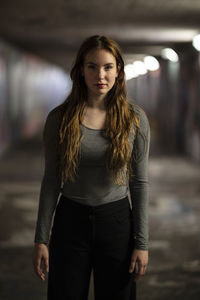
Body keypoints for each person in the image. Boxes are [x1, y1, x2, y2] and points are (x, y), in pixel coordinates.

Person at [32, 35, 150, 300]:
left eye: (108, 66)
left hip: (117, 222)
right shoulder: (59, 119)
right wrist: (41, 238)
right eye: (92, 66)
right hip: (70, 223)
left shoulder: (135, 119)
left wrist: (141, 243)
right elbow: (51, 180)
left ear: (118, 70)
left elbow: (139, 183)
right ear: (80, 71)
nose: (101, 74)